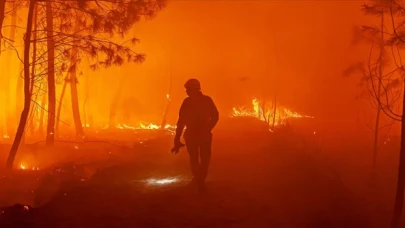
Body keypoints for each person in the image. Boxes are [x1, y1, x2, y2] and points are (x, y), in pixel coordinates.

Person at [172, 78, 219, 192]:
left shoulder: (187, 102)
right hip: (203, 135)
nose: (186, 91)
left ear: (192, 89)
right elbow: (215, 116)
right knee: (205, 159)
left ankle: (199, 179)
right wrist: (208, 128)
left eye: (187, 89)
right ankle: (200, 180)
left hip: (192, 135)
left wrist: (177, 138)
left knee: (194, 158)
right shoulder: (207, 100)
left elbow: (181, 121)